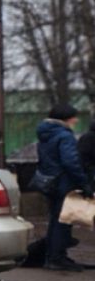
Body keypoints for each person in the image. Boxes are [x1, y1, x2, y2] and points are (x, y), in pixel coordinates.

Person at [35, 103, 89, 271]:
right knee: (63, 221)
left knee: (55, 219)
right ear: (66, 118)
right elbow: (70, 162)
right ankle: (57, 258)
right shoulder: (64, 136)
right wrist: (83, 182)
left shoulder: (46, 134)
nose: (76, 119)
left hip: (49, 181)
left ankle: (53, 256)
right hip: (63, 182)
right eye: (73, 116)